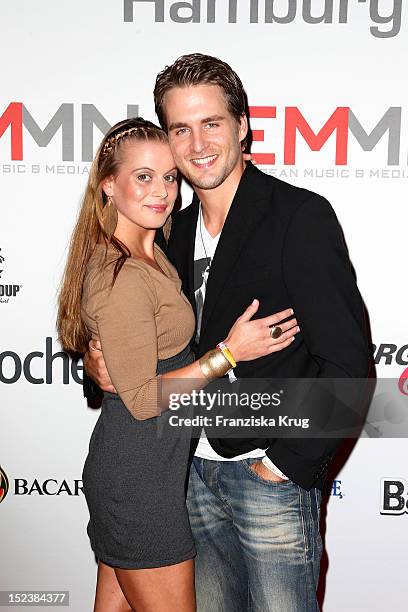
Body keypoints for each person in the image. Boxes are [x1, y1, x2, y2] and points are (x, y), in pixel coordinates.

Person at [85, 55, 371, 611]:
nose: (197, 143)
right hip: (185, 475)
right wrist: (98, 364)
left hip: (268, 480)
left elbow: (350, 364)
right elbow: (138, 342)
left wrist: (286, 465)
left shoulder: (299, 217)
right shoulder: (167, 228)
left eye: (211, 123)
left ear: (242, 126)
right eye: (180, 129)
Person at [58, 116, 299, 612]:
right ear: (109, 185)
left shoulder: (153, 252)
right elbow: (145, 400)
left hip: (152, 473)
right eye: (143, 177)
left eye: (169, 176)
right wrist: (229, 353)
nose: (162, 191)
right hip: (139, 482)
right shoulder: (121, 273)